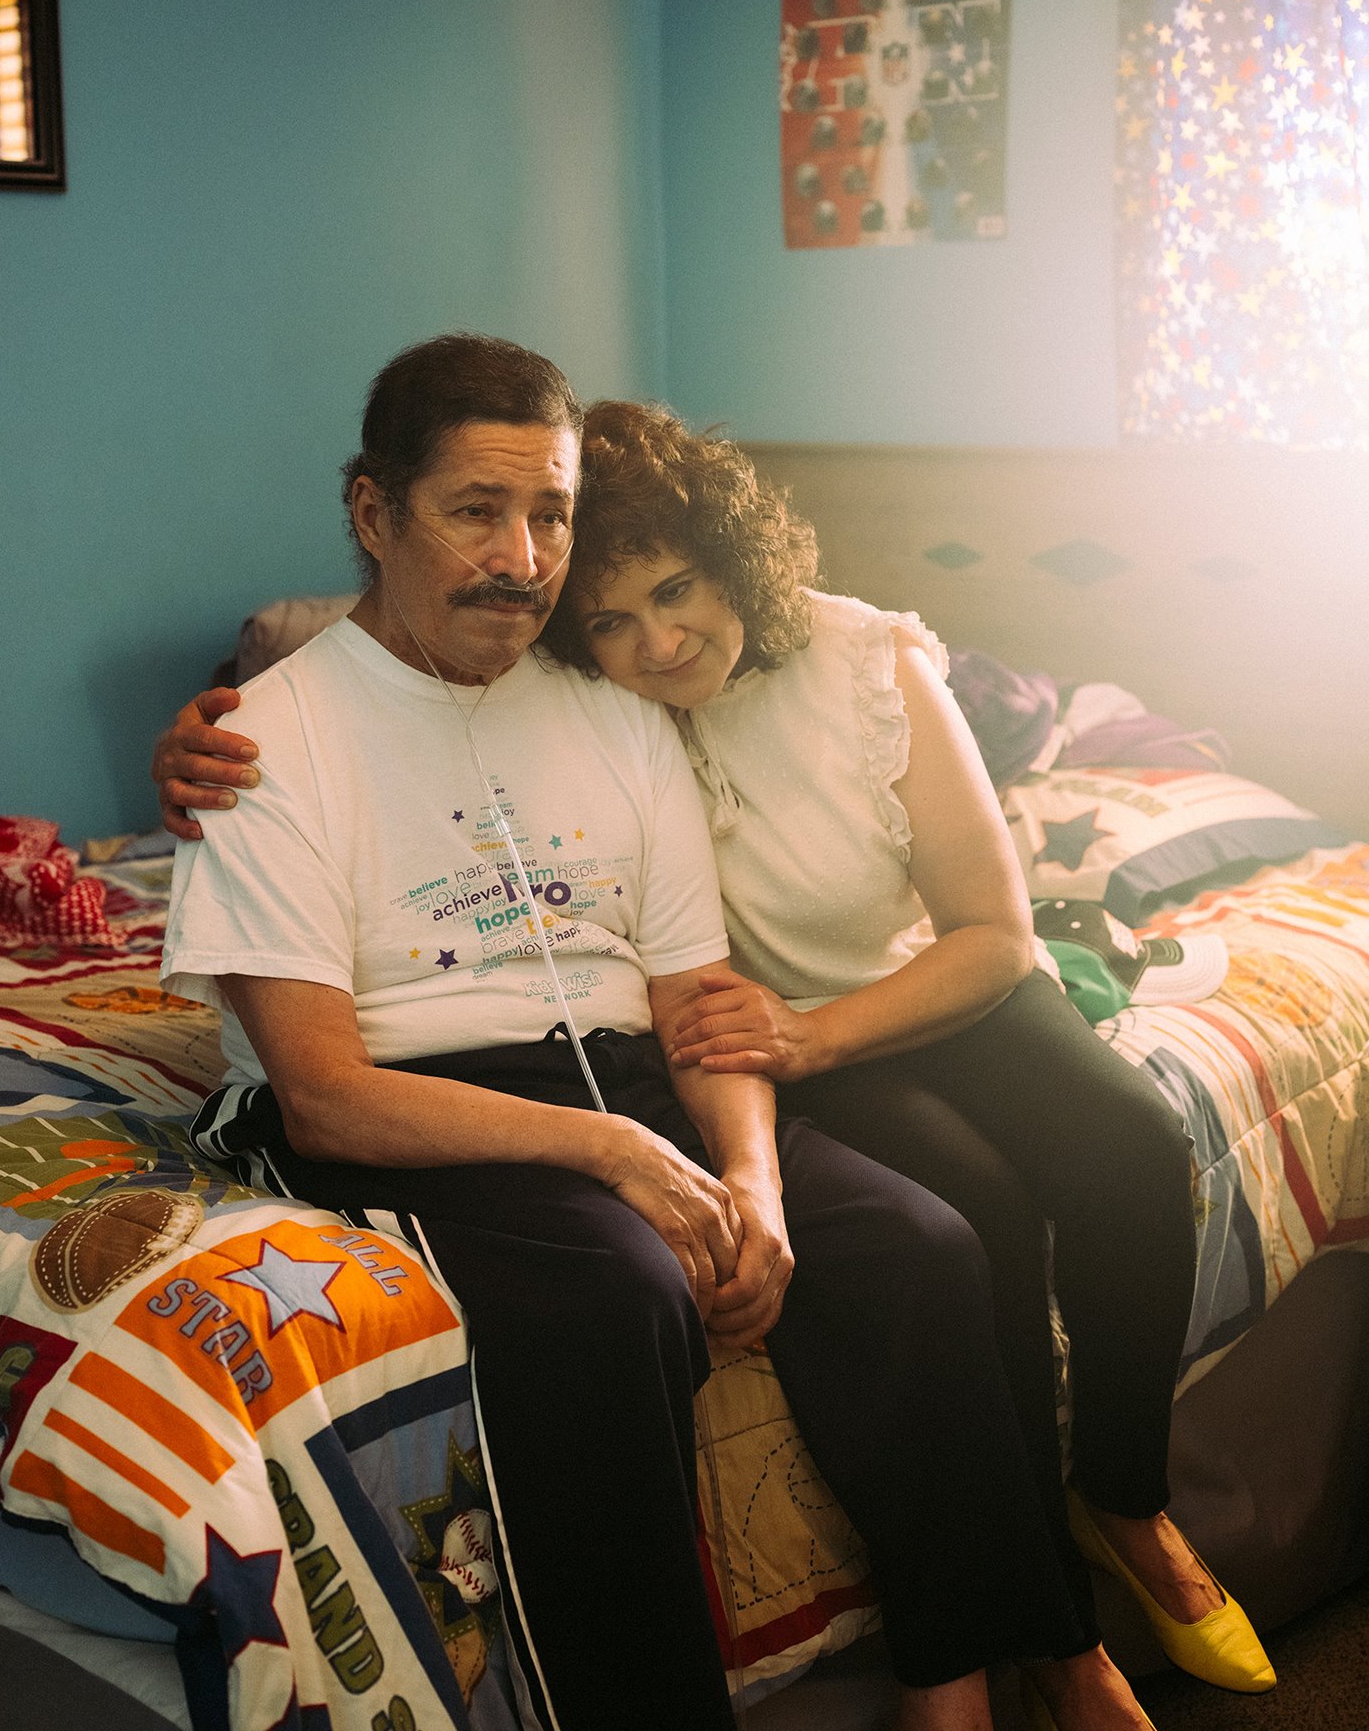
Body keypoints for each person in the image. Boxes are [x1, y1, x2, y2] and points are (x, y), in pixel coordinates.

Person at [150, 347, 1211, 1731]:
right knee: (619, 1294)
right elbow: (327, 1097)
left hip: (634, 1073)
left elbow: (695, 997)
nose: (524, 561)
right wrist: (619, 1158)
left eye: (552, 515)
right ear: (373, 514)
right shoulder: (264, 742)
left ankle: (959, 1679)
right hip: (422, 1106)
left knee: (922, 1244)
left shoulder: (609, 707)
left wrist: (755, 1185)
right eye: (476, 511)